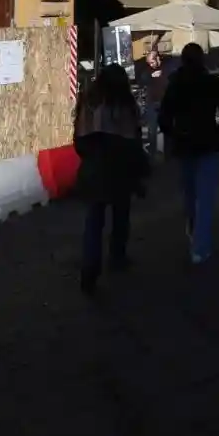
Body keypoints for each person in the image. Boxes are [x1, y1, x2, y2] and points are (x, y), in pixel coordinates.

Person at [156, 42, 219, 265]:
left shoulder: (175, 85)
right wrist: (217, 133)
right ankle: (200, 248)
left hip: (184, 148)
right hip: (208, 145)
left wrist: (175, 135)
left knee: (190, 197)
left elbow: (163, 119)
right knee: (206, 199)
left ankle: (193, 232)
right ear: (202, 59)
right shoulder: (211, 82)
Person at [73, 63, 151, 294]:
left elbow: (79, 140)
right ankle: (117, 256)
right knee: (120, 215)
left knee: (94, 222)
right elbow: (133, 142)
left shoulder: (88, 102)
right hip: (120, 169)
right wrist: (140, 173)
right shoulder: (125, 106)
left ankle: (90, 269)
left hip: (94, 168)